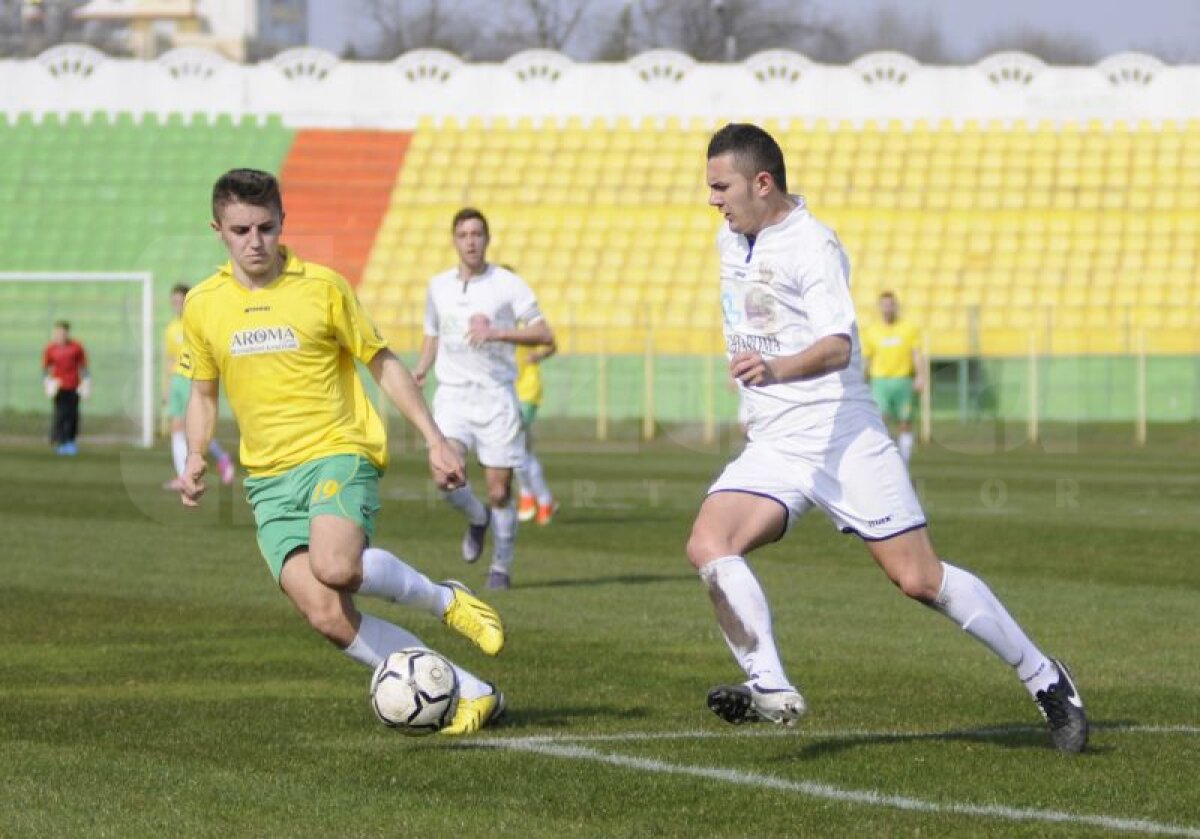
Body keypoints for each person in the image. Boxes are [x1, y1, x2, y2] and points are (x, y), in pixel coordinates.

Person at [687, 124, 1088, 753]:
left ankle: (1044, 677)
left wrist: (776, 370)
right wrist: (756, 398)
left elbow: (837, 346)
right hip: (776, 442)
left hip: (841, 434)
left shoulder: (813, 246)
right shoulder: (729, 237)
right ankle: (770, 684)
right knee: (709, 543)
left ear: (762, 183)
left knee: (918, 579)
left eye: (721, 187)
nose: (712, 199)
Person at [178, 169, 505, 735]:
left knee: (335, 567)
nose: (255, 242)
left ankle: (444, 600)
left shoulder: (323, 287)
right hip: (267, 479)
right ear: (218, 230)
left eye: (266, 227)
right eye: (240, 230)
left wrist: (434, 440)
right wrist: (195, 454)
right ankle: (474, 692)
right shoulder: (203, 304)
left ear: (283, 222)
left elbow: (383, 361)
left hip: (337, 450)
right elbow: (202, 394)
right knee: (326, 613)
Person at [413, 208, 554, 590]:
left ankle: (501, 566)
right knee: (445, 476)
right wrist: (422, 368)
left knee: (499, 491)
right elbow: (432, 333)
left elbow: (543, 333)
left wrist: (497, 333)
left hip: (496, 398)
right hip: (453, 396)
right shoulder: (438, 286)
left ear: (487, 239)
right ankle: (478, 518)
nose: (471, 242)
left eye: (477, 234)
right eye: (463, 235)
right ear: (454, 241)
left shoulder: (508, 284)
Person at [163, 283, 235, 489]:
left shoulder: (196, 323)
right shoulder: (171, 328)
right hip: (177, 379)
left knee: (194, 429)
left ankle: (222, 459)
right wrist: (166, 388)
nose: (177, 305)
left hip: (191, 377)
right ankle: (182, 475)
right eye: (174, 302)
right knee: (176, 427)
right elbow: (170, 359)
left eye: (180, 301)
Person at [861, 291, 923, 463]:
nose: (887, 308)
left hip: (903, 380)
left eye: (890, 305)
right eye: (884, 305)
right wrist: (862, 378)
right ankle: (885, 462)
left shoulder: (909, 329)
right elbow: (867, 358)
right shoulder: (872, 331)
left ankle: (904, 463)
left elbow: (916, 353)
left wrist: (920, 375)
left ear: (895, 306)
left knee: (905, 423)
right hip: (880, 382)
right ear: (880, 307)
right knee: (880, 422)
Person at [514, 333, 558, 525]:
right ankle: (536, 499)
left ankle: (537, 499)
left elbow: (551, 344)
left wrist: (538, 355)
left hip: (527, 393)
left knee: (517, 448)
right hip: (506, 393)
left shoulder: (524, 325)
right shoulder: (493, 324)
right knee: (517, 450)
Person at [42, 320, 90, 456]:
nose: (60, 335)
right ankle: (61, 441)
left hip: (74, 385)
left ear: (67, 333)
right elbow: (45, 368)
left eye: (63, 332)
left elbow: (83, 366)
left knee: (73, 414)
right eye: (58, 332)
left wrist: (86, 382)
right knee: (61, 414)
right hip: (59, 387)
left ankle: (71, 441)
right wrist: (47, 382)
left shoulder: (76, 347)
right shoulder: (51, 348)